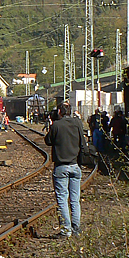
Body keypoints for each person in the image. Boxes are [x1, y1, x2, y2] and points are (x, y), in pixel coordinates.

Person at [44, 102, 88, 238]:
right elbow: (83, 143)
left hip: (61, 166)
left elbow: (48, 141)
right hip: (75, 165)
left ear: (59, 111)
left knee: (62, 199)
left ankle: (66, 230)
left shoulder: (56, 125)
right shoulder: (77, 123)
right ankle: (76, 229)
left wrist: (51, 125)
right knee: (75, 199)